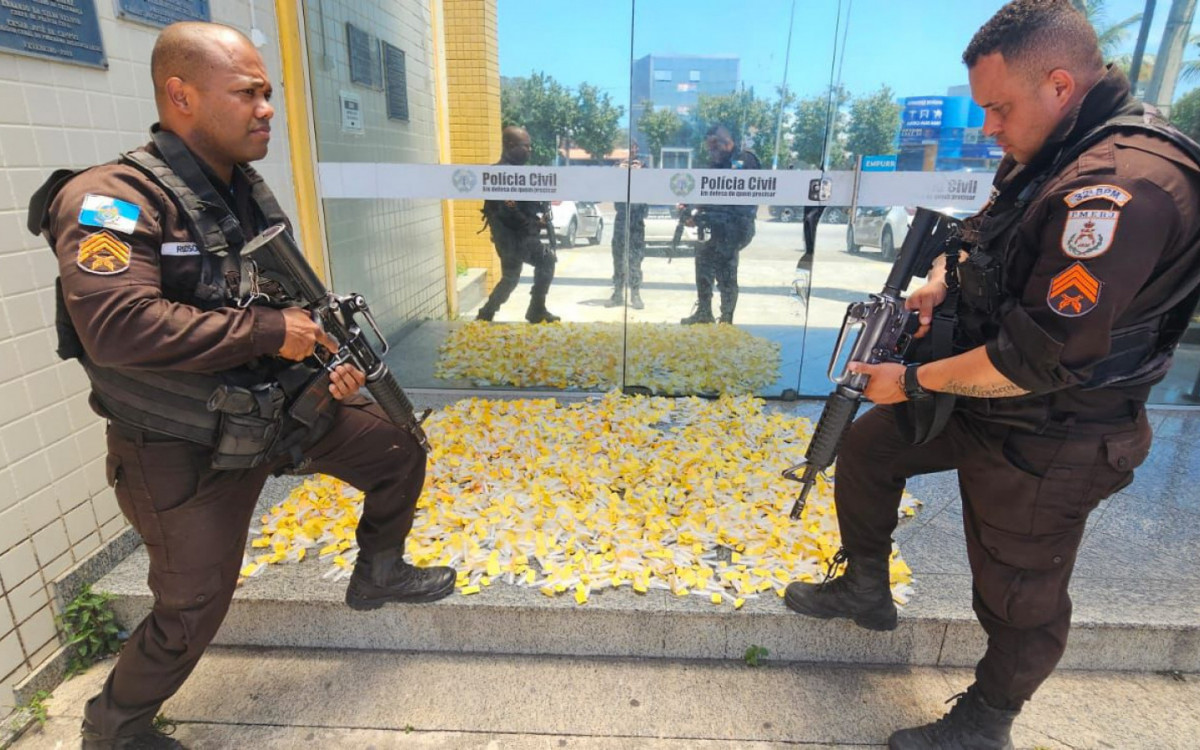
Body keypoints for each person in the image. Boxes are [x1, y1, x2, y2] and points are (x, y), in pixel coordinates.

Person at [27, 22, 456, 749]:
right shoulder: (110, 200)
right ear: (181, 96)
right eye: (247, 93)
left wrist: (321, 361)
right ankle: (113, 729)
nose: (266, 109)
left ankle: (379, 570)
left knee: (397, 447)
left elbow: (272, 302)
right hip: (181, 443)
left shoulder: (239, 192)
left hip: (274, 410)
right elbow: (118, 327)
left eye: (267, 93)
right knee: (191, 607)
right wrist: (269, 333)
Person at [783, 2, 1200, 748]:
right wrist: (938, 282)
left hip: (1059, 425)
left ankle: (986, 720)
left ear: (1060, 85)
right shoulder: (1050, 151)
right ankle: (866, 588)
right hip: (985, 398)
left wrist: (914, 382)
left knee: (1016, 588)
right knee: (871, 450)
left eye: (999, 108)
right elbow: (984, 240)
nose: (989, 129)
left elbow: (1039, 357)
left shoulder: (1116, 187)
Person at [475, 126, 560, 323]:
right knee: (544, 261)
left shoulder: (515, 172)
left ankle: (486, 313)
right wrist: (534, 224)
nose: (529, 150)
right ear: (510, 145)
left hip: (513, 237)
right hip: (514, 238)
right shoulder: (500, 173)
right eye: (525, 146)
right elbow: (508, 212)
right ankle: (536, 309)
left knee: (511, 277)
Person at [680, 124, 759, 325]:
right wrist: (692, 210)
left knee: (726, 269)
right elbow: (707, 192)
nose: (711, 151)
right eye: (709, 148)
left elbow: (736, 194)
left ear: (727, 141)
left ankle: (726, 318)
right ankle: (704, 311)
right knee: (703, 263)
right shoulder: (715, 163)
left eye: (714, 147)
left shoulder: (744, 160)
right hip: (715, 225)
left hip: (735, 226)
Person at [607, 153, 649, 310]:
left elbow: (655, 184)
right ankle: (618, 293)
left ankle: (635, 293)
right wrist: (618, 170)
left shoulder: (644, 174)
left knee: (635, 259)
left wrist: (642, 172)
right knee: (618, 258)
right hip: (622, 218)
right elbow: (604, 185)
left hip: (637, 220)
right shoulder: (619, 176)